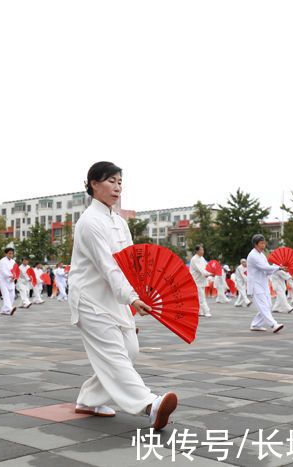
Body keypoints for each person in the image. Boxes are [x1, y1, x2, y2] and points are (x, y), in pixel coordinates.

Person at [69, 161, 177, 428]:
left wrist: (141, 293)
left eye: (119, 182)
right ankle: (149, 404)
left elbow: (131, 263)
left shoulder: (118, 220)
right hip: (91, 300)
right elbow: (108, 266)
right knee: (115, 354)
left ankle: (89, 400)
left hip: (116, 298)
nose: (117, 187)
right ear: (93, 184)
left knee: (129, 350)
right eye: (110, 181)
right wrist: (131, 298)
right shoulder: (89, 222)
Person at [247, 234, 286, 333]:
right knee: (263, 306)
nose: (263, 245)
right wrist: (277, 267)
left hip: (263, 283)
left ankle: (256, 324)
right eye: (261, 243)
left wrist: (278, 268)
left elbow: (268, 270)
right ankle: (273, 324)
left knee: (267, 305)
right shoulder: (253, 255)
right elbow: (264, 267)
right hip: (255, 285)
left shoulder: (262, 255)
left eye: (264, 243)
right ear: (255, 244)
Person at [190, 245, 212, 317]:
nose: (202, 251)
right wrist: (208, 273)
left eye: (203, 250)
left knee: (200, 296)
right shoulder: (194, 259)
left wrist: (211, 272)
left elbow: (207, 267)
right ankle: (206, 311)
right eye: (201, 250)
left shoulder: (202, 258)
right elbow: (200, 269)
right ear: (196, 251)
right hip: (196, 281)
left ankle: (200, 311)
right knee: (201, 296)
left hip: (202, 280)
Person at [0, 248, 17, 316]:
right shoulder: (2, 261)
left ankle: (5, 310)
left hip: (11, 280)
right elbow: (3, 271)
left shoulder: (13, 261)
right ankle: (9, 308)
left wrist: (14, 277)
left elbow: (15, 271)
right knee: (6, 295)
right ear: (6, 254)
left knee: (12, 295)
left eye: (12, 253)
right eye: (9, 253)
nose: (11, 255)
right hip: (3, 280)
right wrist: (10, 276)